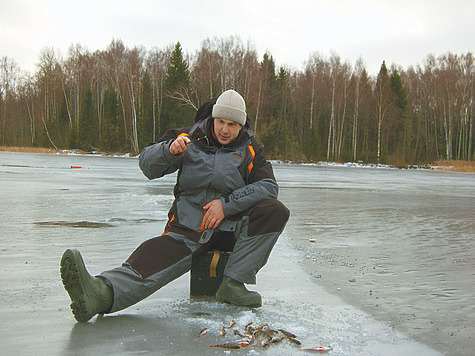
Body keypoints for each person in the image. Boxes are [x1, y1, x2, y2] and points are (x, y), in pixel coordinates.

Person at [60, 89, 290, 322]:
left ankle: (233, 284)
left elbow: (268, 186)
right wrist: (169, 151)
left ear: (241, 126)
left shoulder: (250, 148)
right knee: (153, 257)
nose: (224, 130)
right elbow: (147, 165)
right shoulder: (188, 136)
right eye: (221, 121)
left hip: (231, 225)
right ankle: (101, 292)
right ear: (213, 117)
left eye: (232, 124)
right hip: (190, 224)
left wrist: (226, 204)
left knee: (274, 211)